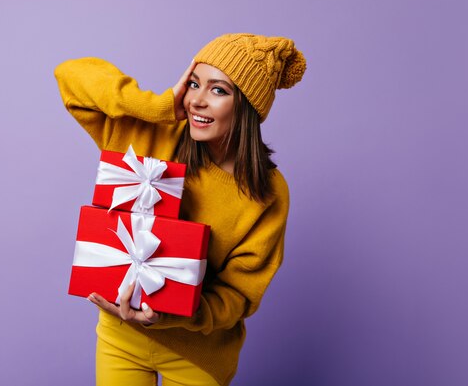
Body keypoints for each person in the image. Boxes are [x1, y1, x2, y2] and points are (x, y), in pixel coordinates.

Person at [54, 33, 306, 386]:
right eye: (193, 84)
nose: (197, 101)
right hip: (120, 337)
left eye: (218, 90)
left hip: (197, 355)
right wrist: (157, 106)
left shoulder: (268, 193)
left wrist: (177, 314)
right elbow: (70, 76)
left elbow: (239, 294)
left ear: (247, 106)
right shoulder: (153, 133)